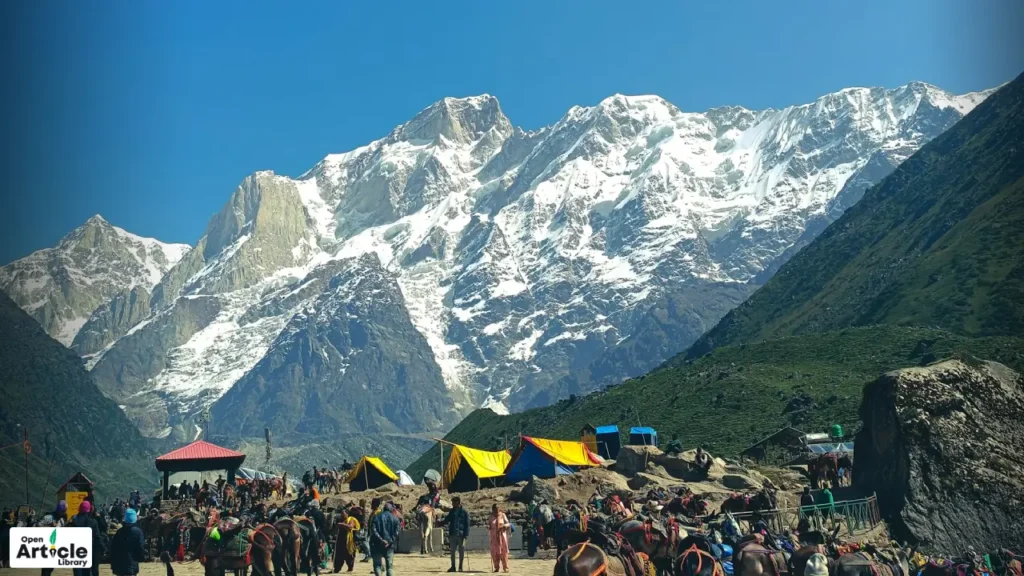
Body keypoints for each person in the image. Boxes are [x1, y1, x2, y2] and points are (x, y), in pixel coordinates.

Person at [109, 509, 145, 576]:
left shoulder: (119, 532)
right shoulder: (138, 532)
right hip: (132, 564)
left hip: (119, 565)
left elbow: (113, 548)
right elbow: (141, 547)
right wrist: (140, 558)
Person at [72, 501, 103, 576]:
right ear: (89, 510)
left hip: (75, 548)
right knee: (87, 570)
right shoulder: (93, 522)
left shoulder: (73, 520)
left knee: (77, 570)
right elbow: (97, 537)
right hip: (88, 548)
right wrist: (102, 548)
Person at [370, 503, 401, 576]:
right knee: (389, 567)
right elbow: (396, 532)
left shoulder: (376, 517)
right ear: (391, 509)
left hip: (377, 544)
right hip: (389, 546)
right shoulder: (395, 518)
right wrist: (389, 541)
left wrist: (381, 540)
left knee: (377, 565)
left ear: (384, 508)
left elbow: (373, 530)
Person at [444, 497, 470, 573]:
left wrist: (466, 534)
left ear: (458, 502)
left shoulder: (464, 512)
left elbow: (467, 524)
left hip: (462, 535)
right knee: (452, 552)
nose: (452, 504)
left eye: (453, 502)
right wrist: (440, 522)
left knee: (461, 552)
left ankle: (460, 567)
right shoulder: (452, 512)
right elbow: (447, 519)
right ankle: (453, 567)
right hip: (453, 534)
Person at [332, 509, 360, 573]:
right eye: (341, 514)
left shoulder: (351, 519)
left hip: (348, 541)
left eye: (343, 514)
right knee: (339, 555)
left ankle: (350, 568)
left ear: (347, 514)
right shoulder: (340, 520)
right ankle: (337, 568)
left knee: (349, 555)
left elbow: (350, 527)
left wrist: (342, 524)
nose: (342, 515)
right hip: (340, 540)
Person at [487, 504, 510, 573]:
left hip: (502, 536)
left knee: (504, 552)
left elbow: (508, 524)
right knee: (495, 552)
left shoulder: (502, 515)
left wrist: (504, 526)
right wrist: (488, 527)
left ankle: (505, 567)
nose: (496, 510)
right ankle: (496, 567)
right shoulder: (491, 517)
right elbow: (489, 524)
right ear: (492, 509)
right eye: (495, 508)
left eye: (497, 508)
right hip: (494, 538)